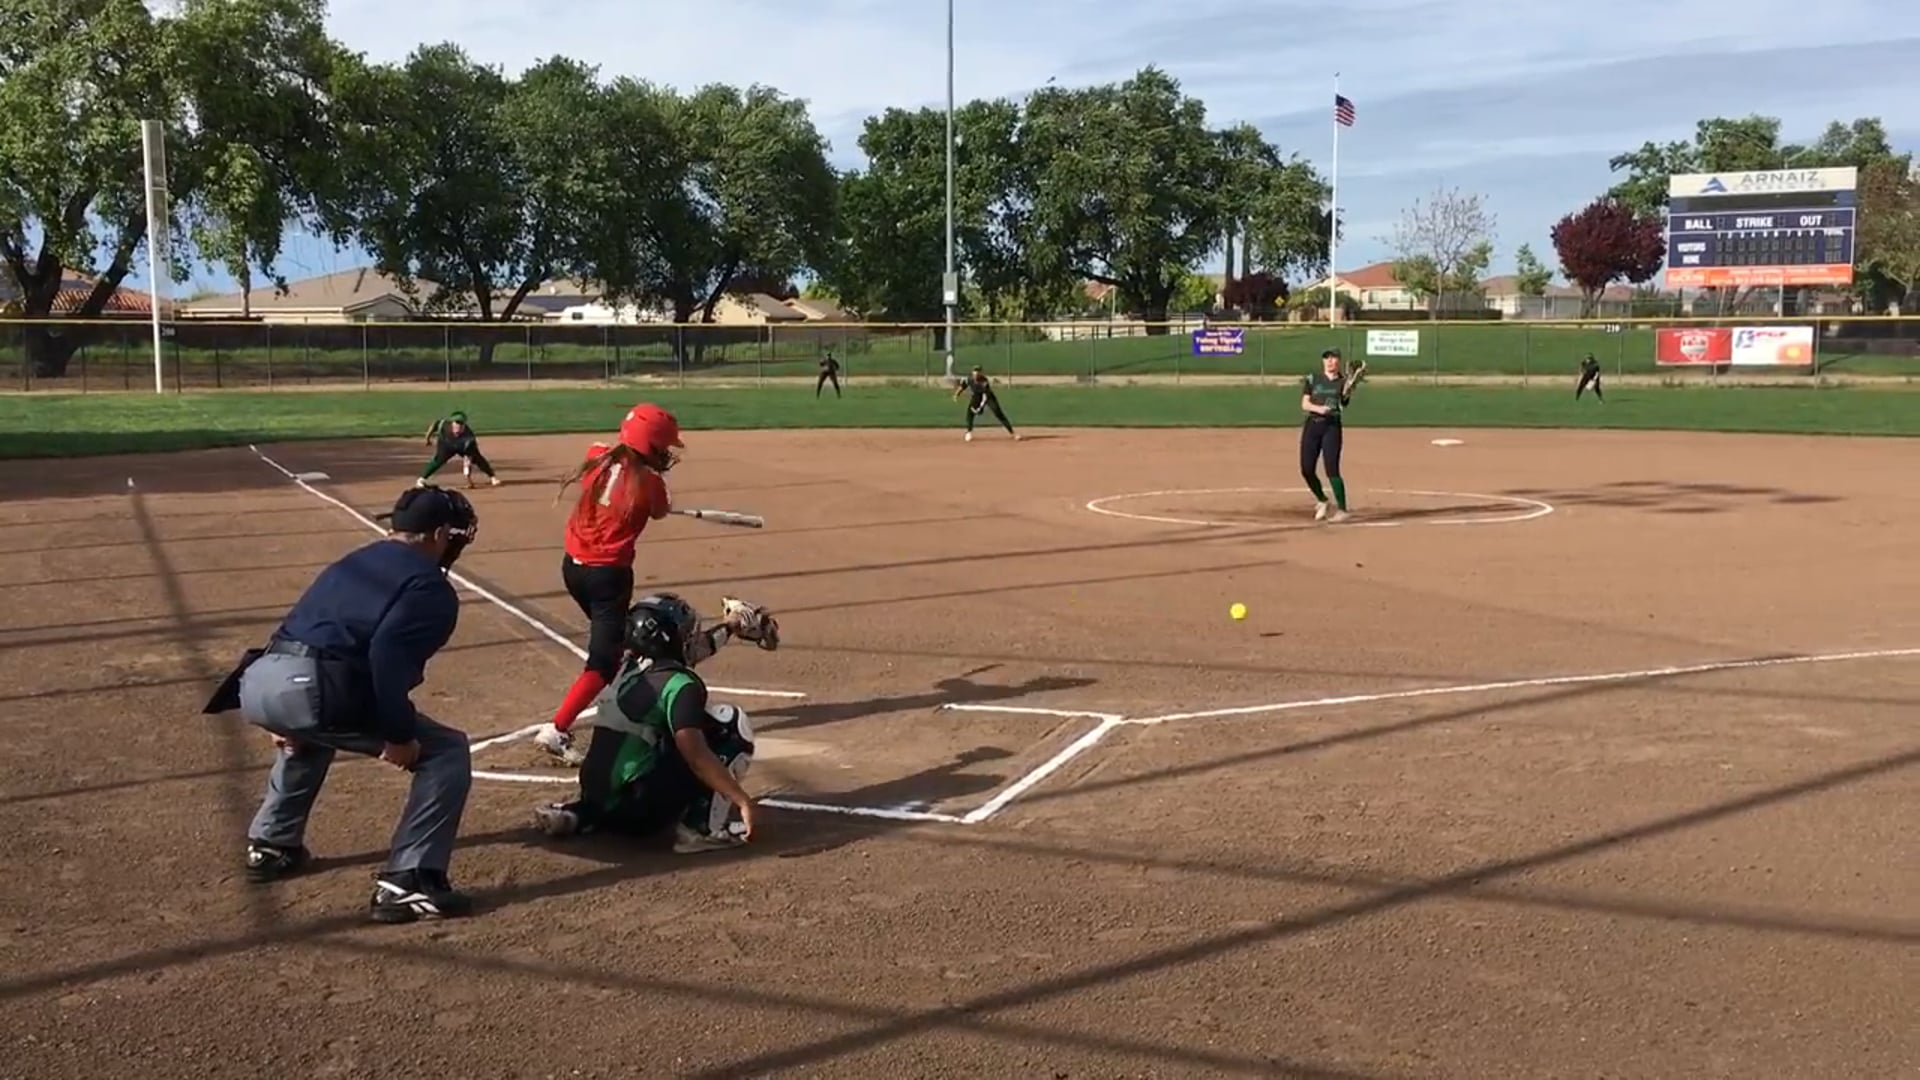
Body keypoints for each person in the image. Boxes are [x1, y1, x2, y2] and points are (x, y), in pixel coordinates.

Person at [202, 484, 480, 924]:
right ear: (440, 534)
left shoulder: (356, 560)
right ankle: (408, 882)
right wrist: (397, 736)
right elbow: (387, 660)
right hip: (312, 686)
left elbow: (301, 625)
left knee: (314, 729)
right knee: (445, 751)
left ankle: (272, 844)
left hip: (260, 680)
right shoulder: (429, 586)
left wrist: (280, 714)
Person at [532, 593, 781, 852]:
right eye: (684, 632)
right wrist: (742, 801)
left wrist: (731, 625)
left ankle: (580, 816)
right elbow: (696, 756)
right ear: (668, 639)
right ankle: (702, 830)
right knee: (729, 725)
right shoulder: (680, 684)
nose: (690, 637)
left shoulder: (624, 665)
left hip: (597, 799)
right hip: (639, 812)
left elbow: (694, 649)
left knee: (651, 733)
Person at [534, 402, 683, 764]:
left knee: (618, 640)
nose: (666, 453)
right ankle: (557, 730)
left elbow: (610, 460)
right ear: (649, 445)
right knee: (604, 661)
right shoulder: (651, 483)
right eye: (663, 446)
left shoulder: (597, 455)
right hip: (608, 579)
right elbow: (660, 510)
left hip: (573, 569)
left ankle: (626, 679)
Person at [1300, 348, 1362, 522]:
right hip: (1312, 426)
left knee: (1332, 468)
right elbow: (1305, 404)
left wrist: (1349, 389)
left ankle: (1342, 510)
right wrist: (1319, 409)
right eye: (1327, 358)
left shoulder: (1342, 382)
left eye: (1333, 358)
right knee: (1306, 469)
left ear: (1338, 362)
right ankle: (1322, 500)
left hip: (1331, 427)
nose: (1330, 361)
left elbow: (1344, 403)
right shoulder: (1313, 379)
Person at [418, 410, 500, 488]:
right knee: (438, 460)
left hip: (462, 448)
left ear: (464, 425)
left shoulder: (469, 438)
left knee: (478, 459)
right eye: (456, 423)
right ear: (452, 423)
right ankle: (421, 479)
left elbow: (469, 457)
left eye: (461, 424)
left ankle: (492, 477)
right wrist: (427, 438)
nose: (459, 426)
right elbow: (434, 425)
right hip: (446, 444)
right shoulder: (443, 425)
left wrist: (467, 473)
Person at [955, 366, 1019, 442]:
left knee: (998, 412)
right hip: (977, 396)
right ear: (972, 372)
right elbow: (963, 386)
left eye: (978, 371)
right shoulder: (969, 379)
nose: (976, 373)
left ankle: (1013, 433)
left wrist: (980, 407)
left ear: (981, 373)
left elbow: (985, 396)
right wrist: (956, 394)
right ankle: (969, 432)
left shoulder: (984, 381)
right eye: (975, 371)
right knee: (970, 412)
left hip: (988, 397)